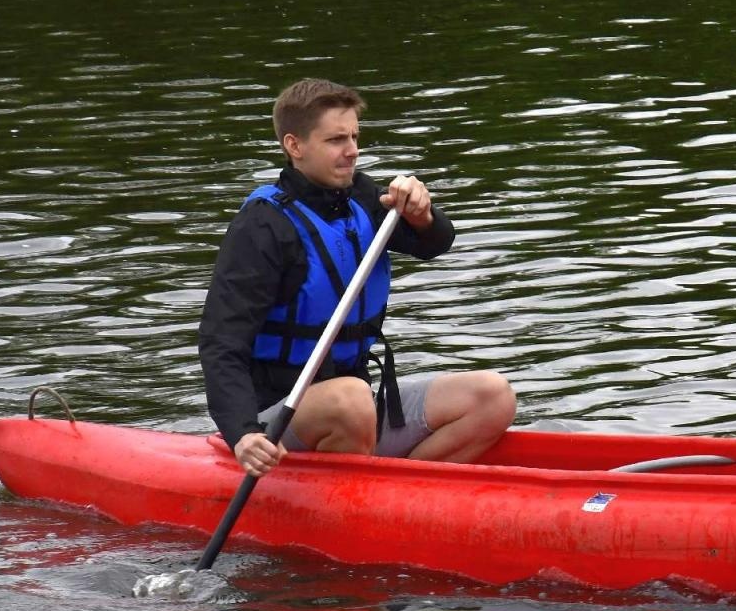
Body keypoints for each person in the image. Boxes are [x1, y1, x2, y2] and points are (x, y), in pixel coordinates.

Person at [198, 78, 515, 478]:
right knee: (351, 399)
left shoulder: (362, 198)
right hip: (277, 420)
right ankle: (355, 500)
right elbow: (220, 344)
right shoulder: (263, 227)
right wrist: (243, 434)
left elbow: (434, 243)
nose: (352, 152)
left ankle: (398, 495)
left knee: (492, 396)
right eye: (335, 140)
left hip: (356, 404)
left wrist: (422, 215)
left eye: (354, 137)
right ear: (294, 146)